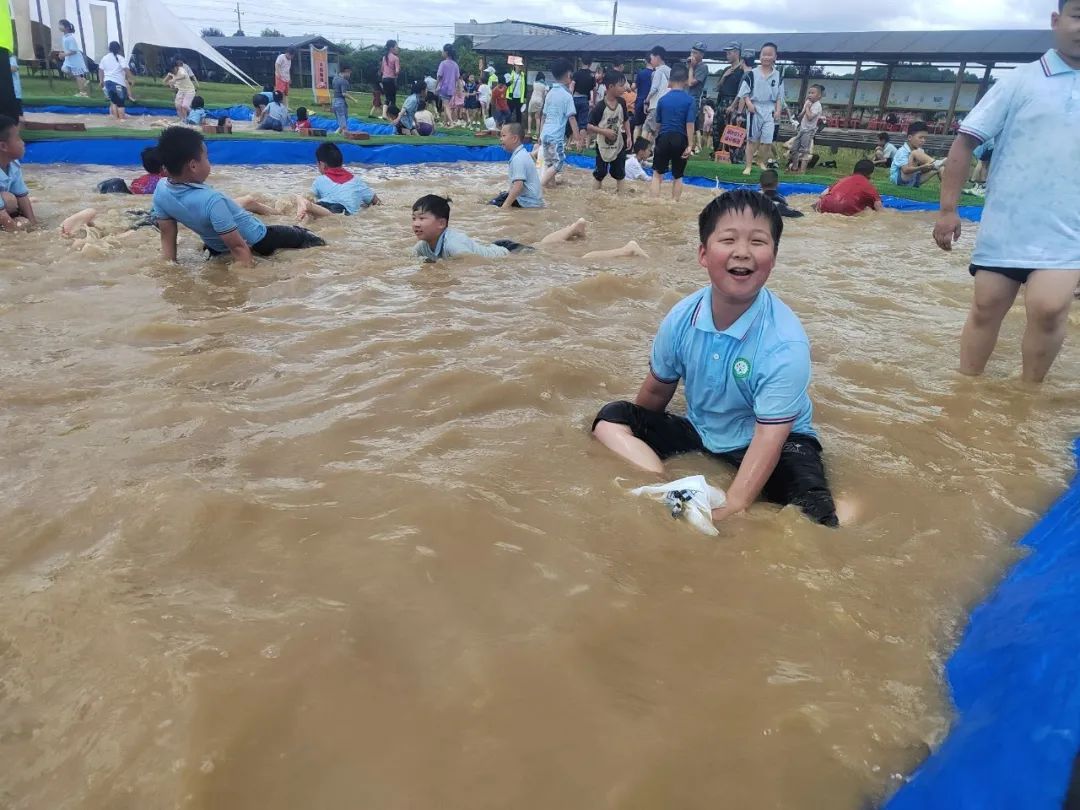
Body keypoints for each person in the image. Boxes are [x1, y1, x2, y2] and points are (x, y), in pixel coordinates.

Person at [591, 190, 840, 527]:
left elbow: (769, 439)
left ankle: (851, 506)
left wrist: (731, 507)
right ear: (703, 254)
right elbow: (653, 395)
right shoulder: (682, 317)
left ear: (774, 257)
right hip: (701, 431)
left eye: (757, 241)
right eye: (728, 239)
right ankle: (662, 481)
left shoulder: (785, 342)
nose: (742, 252)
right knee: (611, 418)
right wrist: (645, 439)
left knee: (815, 519)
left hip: (775, 441)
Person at [933, 0, 1080, 384]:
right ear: (1056, 20)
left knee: (1048, 308)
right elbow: (965, 143)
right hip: (1007, 225)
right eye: (1078, 15)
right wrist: (949, 209)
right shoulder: (1021, 81)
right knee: (986, 306)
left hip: (1068, 229)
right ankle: (963, 389)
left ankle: (1027, 397)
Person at [151, 126, 325, 265]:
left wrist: (170, 269)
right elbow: (239, 249)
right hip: (261, 239)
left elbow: (167, 238)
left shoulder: (160, 191)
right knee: (311, 239)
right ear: (193, 166)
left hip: (216, 248)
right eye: (206, 157)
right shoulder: (212, 200)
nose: (208, 161)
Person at [411, 194, 646, 262]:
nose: (416, 224)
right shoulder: (424, 245)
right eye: (414, 219)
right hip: (500, 247)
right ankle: (574, 227)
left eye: (422, 218)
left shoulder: (453, 245)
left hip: (508, 254)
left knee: (576, 262)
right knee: (542, 247)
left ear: (442, 223)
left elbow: (478, 269)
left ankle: (627, 249)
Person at [296, 141, 380, 221]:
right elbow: (376, 202)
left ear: (322, 165)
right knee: (332, 216)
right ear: (341, 162)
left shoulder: (319, 180)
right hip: (341, 210)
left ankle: (307, 205)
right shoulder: (357, 181)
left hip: (322, 205)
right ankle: (308, 206)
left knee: (309, 215)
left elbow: (310, 196)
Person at [738, 42, 785, 175]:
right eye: (764, 54)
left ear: (775, 57)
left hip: (769, 108)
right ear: (760, 56)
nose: (766, 57)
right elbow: (744, 92)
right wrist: (749, 104)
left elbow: (779, 97)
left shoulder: (778, 76)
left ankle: (761, 161)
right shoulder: (751, 74)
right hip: (755, 107)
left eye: (770, 55)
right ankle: (748, 165)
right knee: (752, 139)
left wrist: (777, 111)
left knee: (767, 140)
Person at [650, 63, 695, 201]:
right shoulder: (690, 100)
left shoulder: (663, 100)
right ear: (686, 81)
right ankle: (674, 203)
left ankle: (653, 203)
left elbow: (658, 124)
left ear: (670, 81)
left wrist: (655, 140)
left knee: (657, 174)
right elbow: (690, 124)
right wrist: (690, 145)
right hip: (680, 139)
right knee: (678, 175)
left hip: (663, 137)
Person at [588, 69, 632, 194]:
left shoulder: (622, 102)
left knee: (620, 172)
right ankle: (595, 195)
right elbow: (589, 126)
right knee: (600, 172)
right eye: (621, 85)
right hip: (603, 145)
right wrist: (604, 132)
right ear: (611, 87)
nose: (624, 88)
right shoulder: (600, 107)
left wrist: (628, 136)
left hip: (618, 144)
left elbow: (626, 120)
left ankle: (622, 196)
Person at [539, 58, 579, 188]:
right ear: (569, 75)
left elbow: (543, 116)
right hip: (556, 138)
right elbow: (572, 118)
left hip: (545, 135)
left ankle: (552, 188)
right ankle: (538, 187)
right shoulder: (567, 96)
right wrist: (577, 138)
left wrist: (540, 135)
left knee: (550, 164)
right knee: (558, 164)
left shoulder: (550, 93)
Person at [490, 123, 544, 208]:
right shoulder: (522, 153)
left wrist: (505, 206)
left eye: (503, 136)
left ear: (514, 138)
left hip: (527, 203)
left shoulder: (518, 159)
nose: (501, 139)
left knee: (491, 207)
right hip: (533, 201)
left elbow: (518, 186)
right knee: (499, 197)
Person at [0, 115, 36, 231]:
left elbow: (22, 197)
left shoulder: (13, 164)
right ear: (3, 146)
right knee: (8, 200)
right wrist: (17, 235)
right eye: (18, 138)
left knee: (23, 220)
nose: (23, 142)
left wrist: (34, 225)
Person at [711, 41, 747, 152]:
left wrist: (734, 105)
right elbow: (717, 88)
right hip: (722, 102)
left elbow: (743, 90)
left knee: (731, 132)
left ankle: (731, 155)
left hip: (733, 103)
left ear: (736, 53)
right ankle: (717, 153)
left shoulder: (742, 71)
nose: (727, 55)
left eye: (729, 53)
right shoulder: (727, 70)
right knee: (717, 130)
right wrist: (724, 77)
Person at [814, 160, 883, 216]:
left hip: (824, 206)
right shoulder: (870, 187)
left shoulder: (842, 180)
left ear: (854, 170)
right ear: (870, 174)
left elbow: (822, 195)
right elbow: (879, 210)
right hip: (845, 212)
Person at [889, 121, 946, 187]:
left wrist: (929, 167)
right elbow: (905, 170)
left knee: (941, 168)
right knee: (914, 153)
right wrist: (922, 167)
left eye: (925, 138)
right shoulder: (902, 151)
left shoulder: (920, 150)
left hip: (913, 179)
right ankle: (936, 163)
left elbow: (923, 170)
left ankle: (949, 188)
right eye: (920, 137)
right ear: (910, 137)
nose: (923, 140)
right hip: (900, 180)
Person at [788, 84, 823, 173]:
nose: (810, 95)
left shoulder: (817, 105)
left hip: (809, 131)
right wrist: (802, 111)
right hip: (802, 129)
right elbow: (801, 116)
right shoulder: (807, 103)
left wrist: (807, 107)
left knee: (805, 151)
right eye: (809, 93)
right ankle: (795, 167)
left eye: (813, 93)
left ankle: (802, 171)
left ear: (818, 96)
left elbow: (810, 117)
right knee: (794, 149)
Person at [98, 41, 134, 122]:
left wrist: (101, 81)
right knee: (120, 103)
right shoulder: (120, 58)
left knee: (113, 101)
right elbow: (126, 69)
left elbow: (100, 70)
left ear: (109, 48)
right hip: (118, 84)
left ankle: (115, 120)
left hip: (108, 83)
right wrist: (131, 78)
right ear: (119, 49)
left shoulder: (105, 58)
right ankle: (121, 120)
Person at [643, 46, 671, 140]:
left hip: (655, 105)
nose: (651, 61)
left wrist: (646, 101)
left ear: (657, 57)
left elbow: (654, 89)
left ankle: (641, 152)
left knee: (646, 128)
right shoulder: (670, 71)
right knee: (657, 131)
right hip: (666, 106)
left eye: (652, 58)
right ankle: (652, 151)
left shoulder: (658, 71)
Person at [57, 19, 89, 97]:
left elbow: (74, 51)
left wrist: (64, 55)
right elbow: (66, 49)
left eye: (61, 25)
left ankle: (83, 93)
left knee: (77, 75)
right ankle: (83, 81)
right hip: (69, 59)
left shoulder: (70, 38)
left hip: (75, 59)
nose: (59, 26)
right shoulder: (64, 37)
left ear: (67, 27)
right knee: (64, 69)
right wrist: (63, 55)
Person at [571, 61, 596, 147]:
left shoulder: (577, 73)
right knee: (583, 124)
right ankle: (580, 145)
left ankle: (571, 143)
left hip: (575, 98)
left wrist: (570, 97)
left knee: (572, 120)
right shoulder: (591, 75)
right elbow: (594, 89)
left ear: (582, 62)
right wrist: (594, 101)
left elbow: (572, 85)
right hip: (585, 99)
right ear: (590, 64)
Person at [437, 44, 460, 127]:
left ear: (446, 52)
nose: (442, 52)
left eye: (443, 51)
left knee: (446, 106)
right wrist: (459, 90)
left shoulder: (443, 63)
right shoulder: (455, 65)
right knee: (446, 106)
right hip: (451, 89)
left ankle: (451, 122)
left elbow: (439, 76)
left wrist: (436, 87)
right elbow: (458, 78)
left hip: (444, 88)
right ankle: (445, 123)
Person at [633, 60, 653, 142]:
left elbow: (633, 87)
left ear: (646, 61)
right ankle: (645, 150)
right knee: (648, 128)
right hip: (651, 102)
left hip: (639, 101)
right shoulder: (655, 73)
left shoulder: (640, 73)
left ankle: (635, 148)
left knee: (638, 126)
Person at [380, 40, 400, 115]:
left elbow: (382, 69)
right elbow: (397, 71)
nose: (397, 48)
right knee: (393, 98)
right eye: (396, 47)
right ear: (392, 48)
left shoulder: (384, 57)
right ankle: (390, 114)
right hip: (391, 79)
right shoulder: (395, 58)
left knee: (387, 97)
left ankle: (385, 114)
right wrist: (395, 73)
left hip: (384, 79)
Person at [331, 66, 352, 133]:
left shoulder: (335, 78)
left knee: (342, 120)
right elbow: (344, 93)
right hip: (340, 102)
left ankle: (335, 134)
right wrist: (354, 99)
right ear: (346, 72)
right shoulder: (344, 81)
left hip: (334, 101)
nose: (349, 75)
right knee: (343, 122)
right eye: (349, 73)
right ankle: (346, 135)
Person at [527, 71, 548, 136]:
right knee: (537, 117)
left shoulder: (534, 83)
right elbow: (545, 94)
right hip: (540, 100)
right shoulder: (546, 85)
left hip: (533, 99)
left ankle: (529, 130)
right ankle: (537, 132)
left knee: (530, 115)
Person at [9, 55, 23, 123]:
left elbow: (14, 68)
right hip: (7, 91)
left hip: (15, 91)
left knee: (18, 113)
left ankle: (21, 127)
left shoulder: (11, 58)